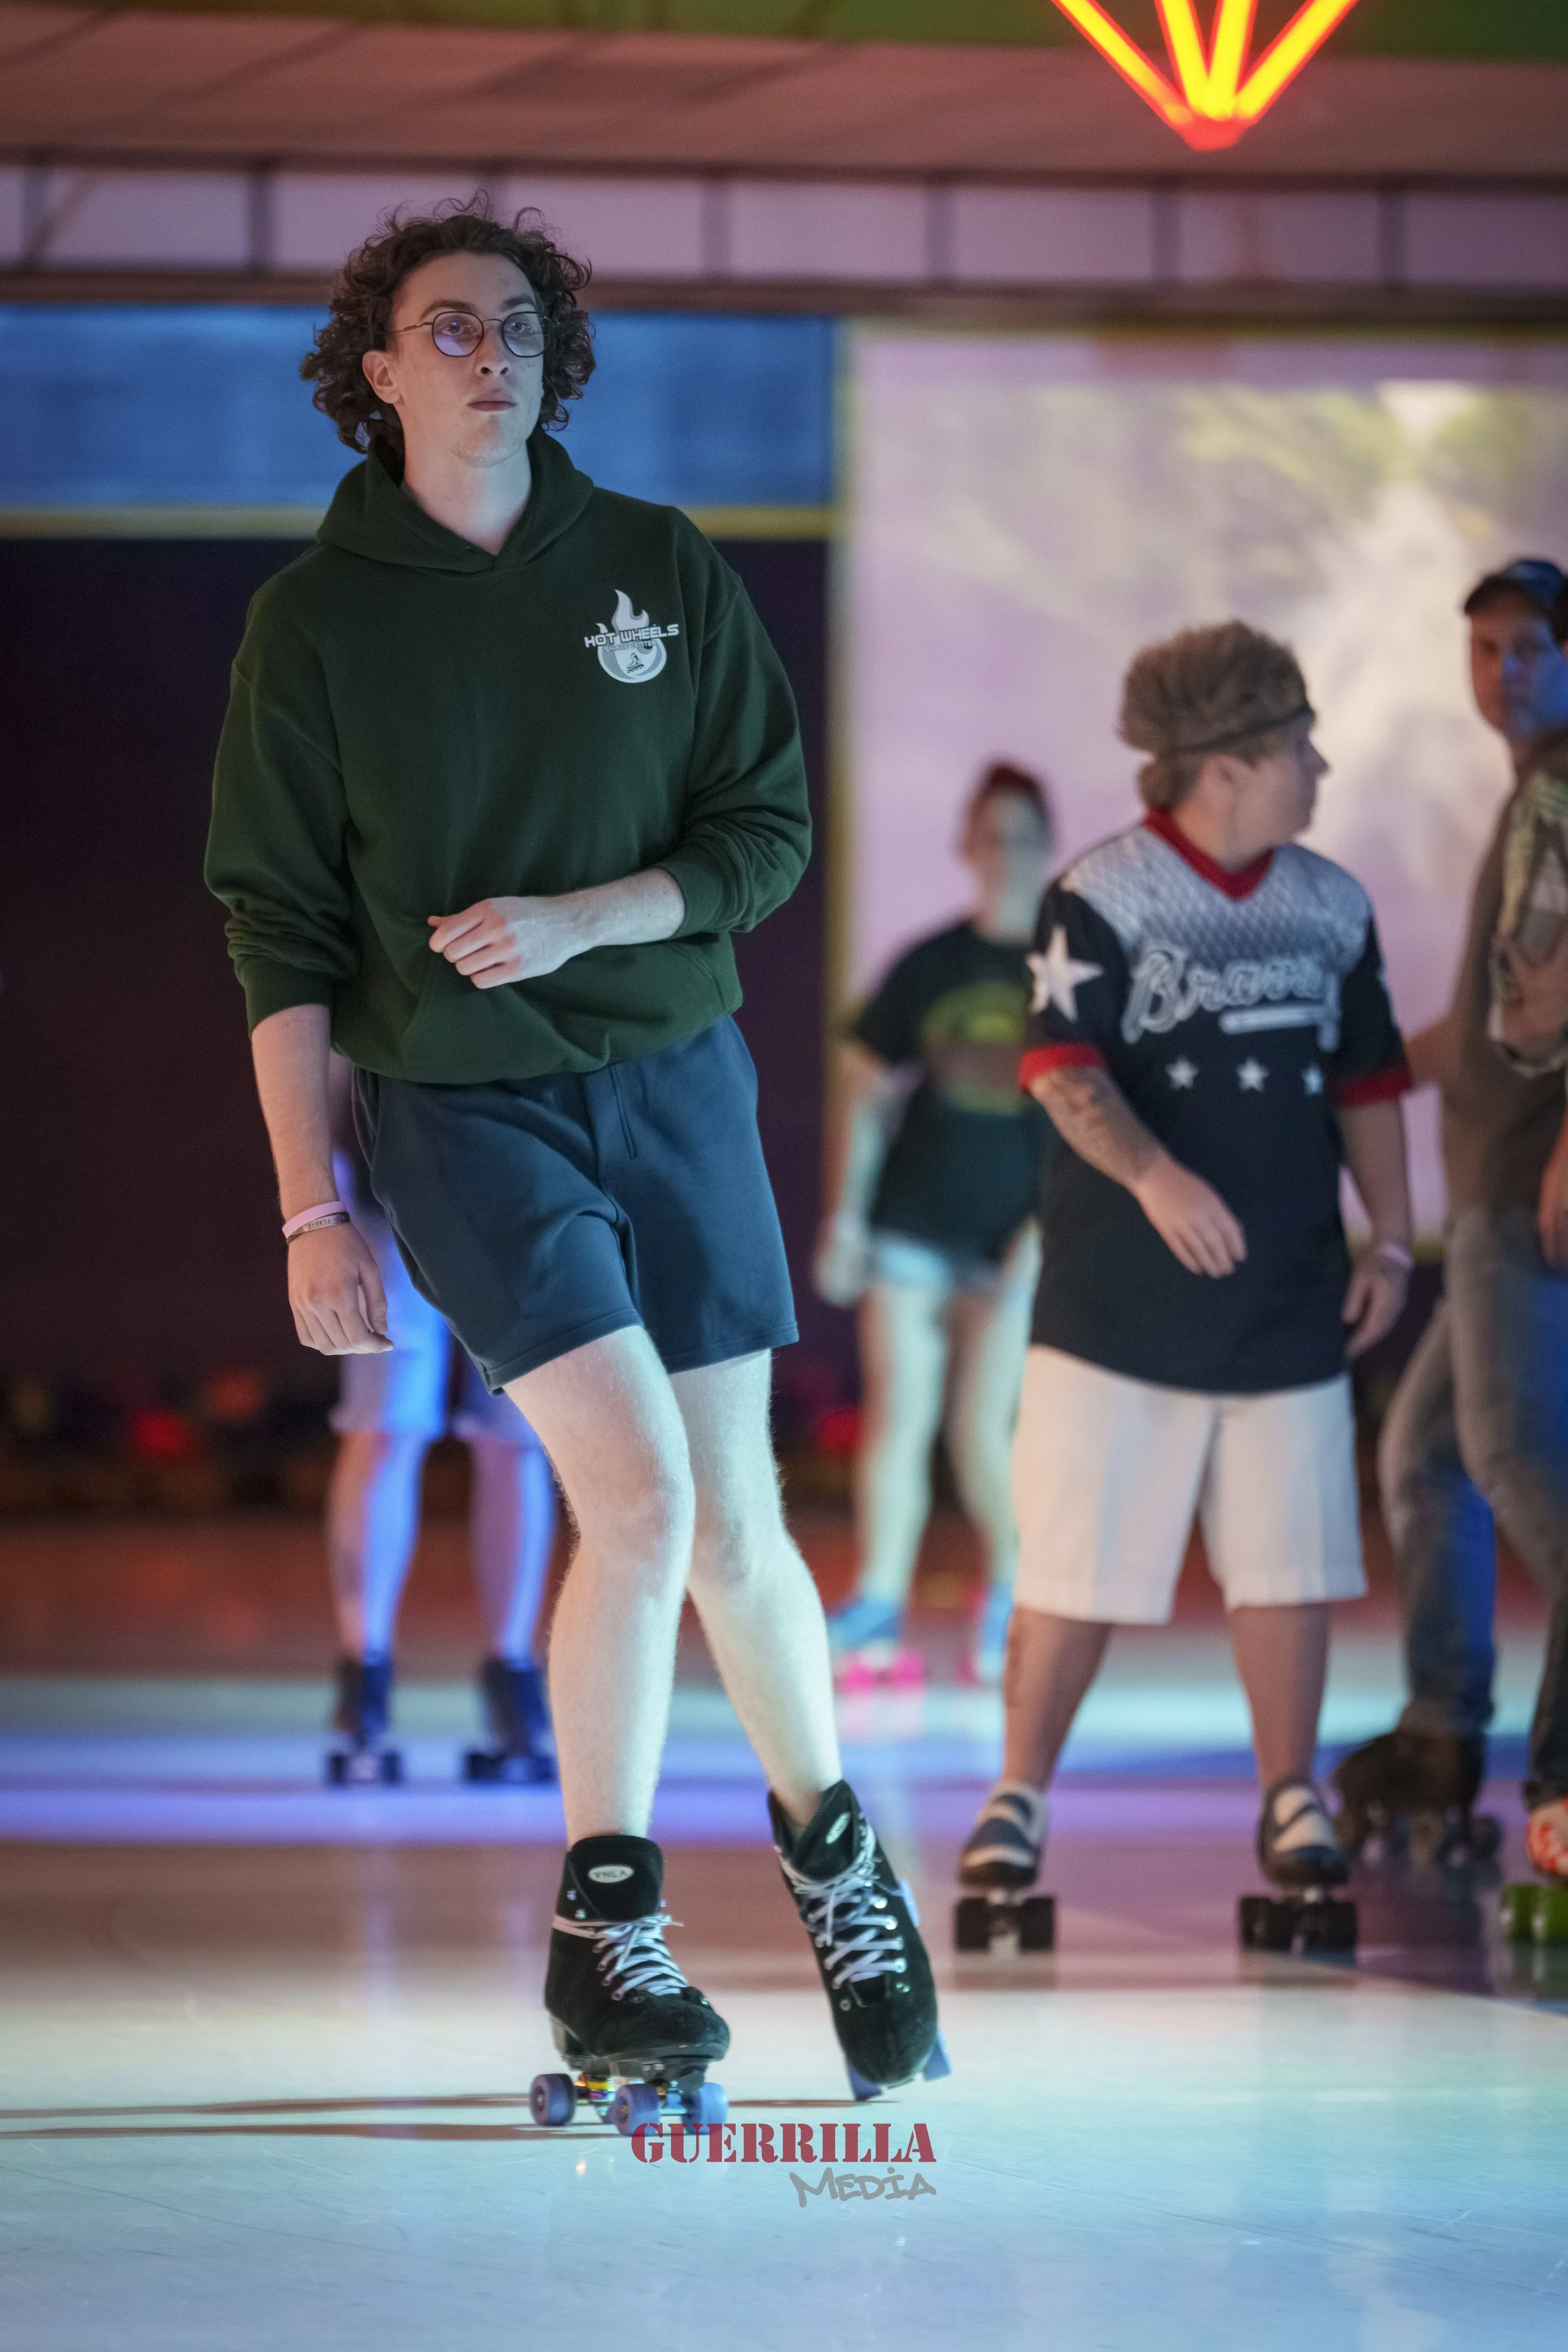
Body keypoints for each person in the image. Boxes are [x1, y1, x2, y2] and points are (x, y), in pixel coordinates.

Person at [205, 199, 941, 2098]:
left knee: (738, 1515)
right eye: (450, 327)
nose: (492, 354)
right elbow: (280, 932)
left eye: (519, 324)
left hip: (676, 1080)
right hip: (463, 1108)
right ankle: (608, 1929)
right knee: (643, 1501)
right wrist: (309, 1203)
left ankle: (839, 1861)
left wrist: (587, 917)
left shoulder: (657, 564)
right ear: (378, 373)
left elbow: (762, 831)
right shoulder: (315, 623)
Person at [958, 621, 1414, 1910]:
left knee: (1291, 1556)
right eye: (1300, 744)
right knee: (1070, 1561)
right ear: (1226, 764)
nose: (1318, 767)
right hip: (1113, 1305)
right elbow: (1060, 1067)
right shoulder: (1101, 893)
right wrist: (1156, 1175)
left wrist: (1388, 1236)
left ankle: (1290, 1797)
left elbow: (1369, 1082)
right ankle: (1018, 1795)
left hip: (1288, 1298)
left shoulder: (1333, 903)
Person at [1334, 561, 1568, 1882]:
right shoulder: (1528, 798)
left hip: (1521, 1185)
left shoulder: (1560, 795)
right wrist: (1352, 1069)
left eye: (1529, 647)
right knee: (1423, 1456)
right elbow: (1489, 1030)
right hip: (1488, 1177)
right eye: (1484, 650)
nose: (1503, 672)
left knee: (1511, 1458)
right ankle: (1440, 1730)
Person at [813, 765, 1056, 1687]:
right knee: (899, 1414)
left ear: (1046, 846)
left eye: (1020, 837)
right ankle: (879, 1599)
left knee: (982, 1429)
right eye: (989, 835)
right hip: (912, 1223)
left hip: (1015, 1238)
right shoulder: (930, 964)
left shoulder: (1068, 973)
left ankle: (1011, 1591)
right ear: (965, 845)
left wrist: (1048, 1230)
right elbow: (864, 1092)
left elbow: (1095, 1119)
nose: (1004, 854)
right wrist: (846, 1219)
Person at [324, 1055, 558, 1785]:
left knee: (500, 1435)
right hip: (409, 1160)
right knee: (396, 1428)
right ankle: (377, 1681)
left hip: (501, 1169)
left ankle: (490, 1683)